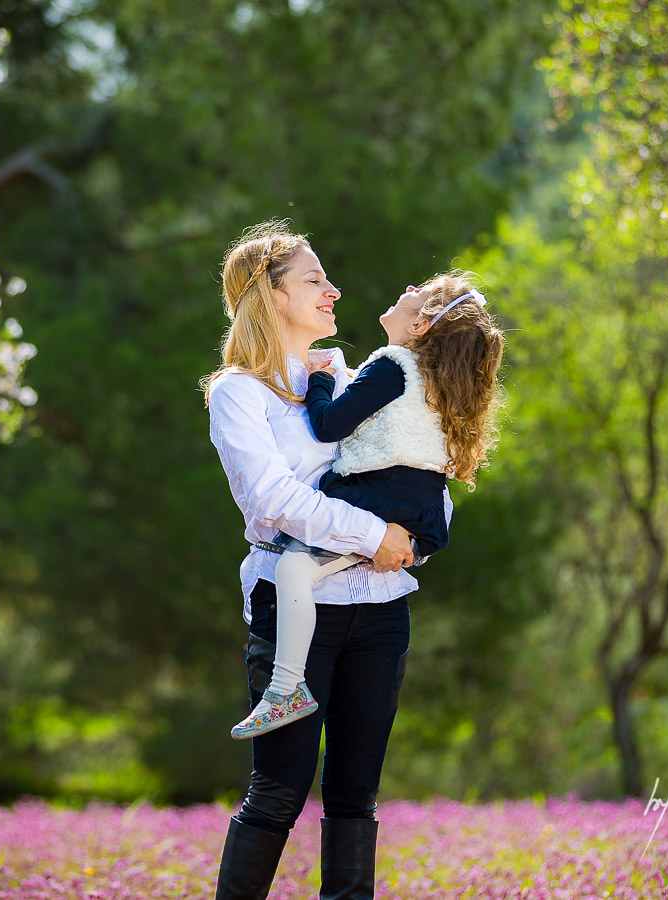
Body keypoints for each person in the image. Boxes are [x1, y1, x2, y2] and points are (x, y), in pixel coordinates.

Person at [203, 220, 489, 900]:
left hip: (381, 611)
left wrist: (415, 539)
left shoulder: (350, 376)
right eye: (314, 280)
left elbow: (420, 469)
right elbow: (271, 497)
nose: (334, 291)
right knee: (278, 790)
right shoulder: (239, 393)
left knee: (356, 795)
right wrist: (375, 534)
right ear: (269, 297)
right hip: (294, 602)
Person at [229, 272, 504, 742]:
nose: (409, 287)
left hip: (374, 503)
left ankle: (286, 688)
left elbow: (329, 425)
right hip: (419, 514)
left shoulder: (392, 365)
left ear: (419, 327)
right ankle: (287, 688)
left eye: (421, 294)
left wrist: (318, 381)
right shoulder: (436, 385)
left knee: (294, 570)